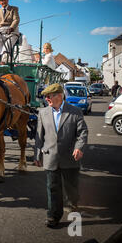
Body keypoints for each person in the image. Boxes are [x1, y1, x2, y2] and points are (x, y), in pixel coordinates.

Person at [34, 83, 88, 228]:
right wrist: (37, 154)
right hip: (50, 156)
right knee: (52, 188)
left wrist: (79, 148)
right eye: (46, 97)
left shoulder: (75, 111)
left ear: (59, 96)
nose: (47, 99)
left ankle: (73, 204)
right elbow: (39, 136)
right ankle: (53, 216)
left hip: (70, 157)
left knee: (71, 188)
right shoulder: (43, 112)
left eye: (49, 96)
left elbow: (82, 133)